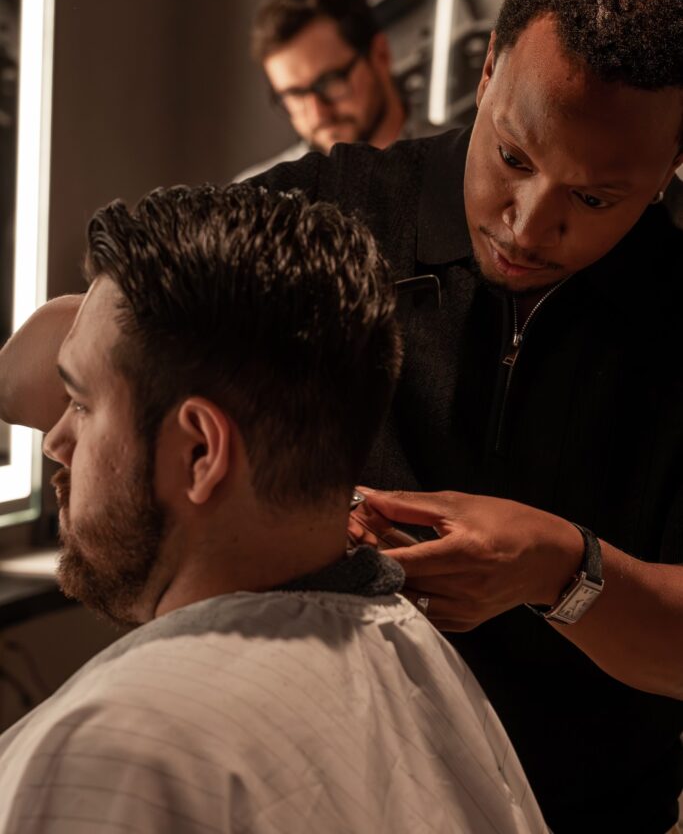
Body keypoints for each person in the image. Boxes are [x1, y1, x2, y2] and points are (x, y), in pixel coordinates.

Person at [246, 0, 683, 834]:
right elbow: (68, 348)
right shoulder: (335, 205)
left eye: (595, 199)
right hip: (316, 802)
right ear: (486, 71)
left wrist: (563, 571)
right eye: (514, 158)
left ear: (670, 170)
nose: (528, 226)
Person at [0, 184, 546, 834]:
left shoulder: (116, 751)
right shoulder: (406, 649)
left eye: (81, 405)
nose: (58, 444)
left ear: (201, 451)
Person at [233, 0, 417, 180]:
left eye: (329, 82)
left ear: (380, 56)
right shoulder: (260, 195)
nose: (317, 114)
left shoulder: (457, 172)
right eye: (294, 95)